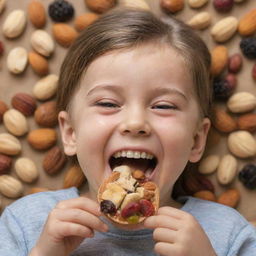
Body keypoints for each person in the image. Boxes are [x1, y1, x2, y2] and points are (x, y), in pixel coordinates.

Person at [0, 8, 255, 256]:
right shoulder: (26, 222)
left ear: (197, 140)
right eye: (108, 103)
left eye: (163, 105)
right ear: (70, 133)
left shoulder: (227, 232)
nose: (135, 122)